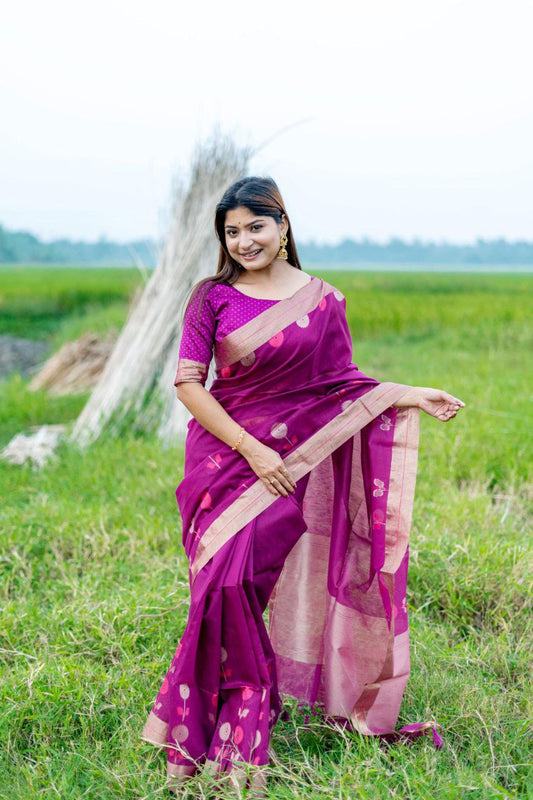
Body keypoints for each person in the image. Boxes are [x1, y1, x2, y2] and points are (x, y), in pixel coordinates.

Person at [141, 176, 465, 795]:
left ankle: (235, 728)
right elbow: (188, 385)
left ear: (283, 225)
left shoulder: (323, 300)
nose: (244, 241)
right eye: (231, 232)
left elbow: (342, 384)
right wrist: (251, 447)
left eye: (255, 227)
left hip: (288, 468)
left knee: (240, 585)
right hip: (226, 461)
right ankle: (230, 719)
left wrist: (409, 395)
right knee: (218, 587)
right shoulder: (211, 297)